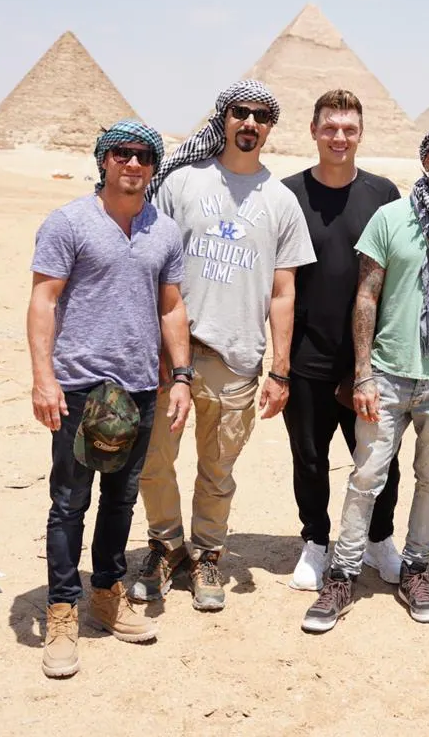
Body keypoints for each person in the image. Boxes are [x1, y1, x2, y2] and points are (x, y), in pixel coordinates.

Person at [302, 124, 429, 633]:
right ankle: (343, 574)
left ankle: (416, 569)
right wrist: (363, 374)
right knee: (366, 476)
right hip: (388, 374)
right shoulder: (391, 218)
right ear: (426, 158)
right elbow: (367, 295)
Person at [131, 80, 316, 612]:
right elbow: (151, 265)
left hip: (236, 359)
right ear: (223, 117)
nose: (250, 123)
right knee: (153, 463)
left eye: (261, 115)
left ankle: (208, 552)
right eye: (240, 112)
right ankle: (166, 546)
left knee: (217, 471)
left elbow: (283, 292)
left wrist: (280, 370)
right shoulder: (182, 182)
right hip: (173, 353)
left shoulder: (281, 201)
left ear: (270, 127)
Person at [27, 120, 194, 678]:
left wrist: (182, 376)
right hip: (79, 386)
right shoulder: (68, 222)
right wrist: (43, 378)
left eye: (144, 155)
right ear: (103, 160)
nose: (133, 163)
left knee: (121, 501)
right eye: (121, 153)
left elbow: (171, 306)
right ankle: (61, 610)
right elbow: (44, 300)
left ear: (154, 166)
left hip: (140, 386)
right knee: (69, 502)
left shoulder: (164, 231)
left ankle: (106, 593)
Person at [281, 89, 404, 591]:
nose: (339, 137)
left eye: (349, 129)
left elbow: (399, 275)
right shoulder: (287, 194)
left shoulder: (384, 194)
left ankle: (379, 539)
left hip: (370, 359)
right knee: (309, 458)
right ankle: (315, 542)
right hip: (306, 353)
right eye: (330, 127)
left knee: (380, 459)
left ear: (361, 134)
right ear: (313, 130)